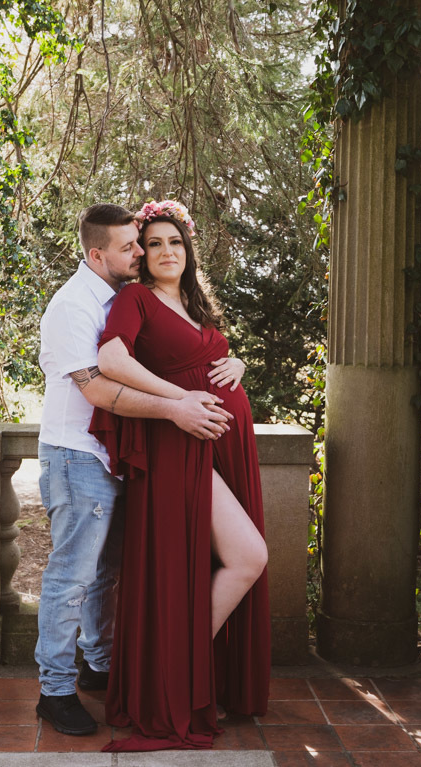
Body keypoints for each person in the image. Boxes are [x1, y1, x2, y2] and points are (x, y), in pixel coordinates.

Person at [34, 202, 236, 737]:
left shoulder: (121, 297)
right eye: (130, 247)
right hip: (77, 455)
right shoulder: (73, 306)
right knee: (72, 576)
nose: (140, 254)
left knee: (107, 573)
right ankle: (55, 691)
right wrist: (176, 406)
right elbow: (99, 389)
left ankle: (98, 665)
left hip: (120, 457)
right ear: (97, 254)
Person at [90, 200, 271, 751]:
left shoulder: (195, 301)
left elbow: (208, 358)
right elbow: (112, 361)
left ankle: (181, 674)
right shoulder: (135, 299)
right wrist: (181, 399)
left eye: (175, 242)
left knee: (214, 563)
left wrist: (238, 362)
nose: (166, 251)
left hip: (220, 448)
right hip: (178, 446)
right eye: (154, 244)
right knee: (248, 557)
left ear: (188, 248)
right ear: (141, 256)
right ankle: (171, 679)